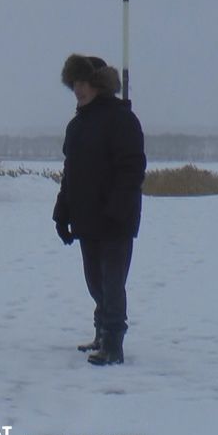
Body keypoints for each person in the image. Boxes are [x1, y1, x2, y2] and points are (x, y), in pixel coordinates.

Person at [53, 54, 146, 366]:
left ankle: (113, 344)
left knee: (111, 282)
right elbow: (72, 172)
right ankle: (101, 332)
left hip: (115, 220)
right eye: (75, 83)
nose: (79, 89)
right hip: (87, 217)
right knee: (94, 281)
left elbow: (132, 169)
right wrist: (62, 212)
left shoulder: (121, 119)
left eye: (85, 83)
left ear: (98, 84)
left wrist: (117, 211)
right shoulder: (77, 124)